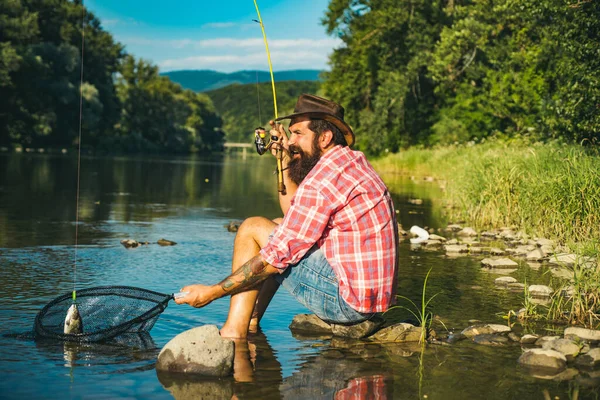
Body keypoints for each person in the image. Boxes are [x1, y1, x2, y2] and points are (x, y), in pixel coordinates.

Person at [175, 94, 398, 339]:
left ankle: (233, 334)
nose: (291, 141)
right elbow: (294, 217)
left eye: (298, 133)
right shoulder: (349, 163)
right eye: (290, 134)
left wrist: (212, 292)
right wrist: (283, 159)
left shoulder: (323, 180)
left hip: (349, 304)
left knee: (252, 228)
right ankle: (250, 319)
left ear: (324, 138)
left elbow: (276, 256)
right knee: (279, 227)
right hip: (371, 298)